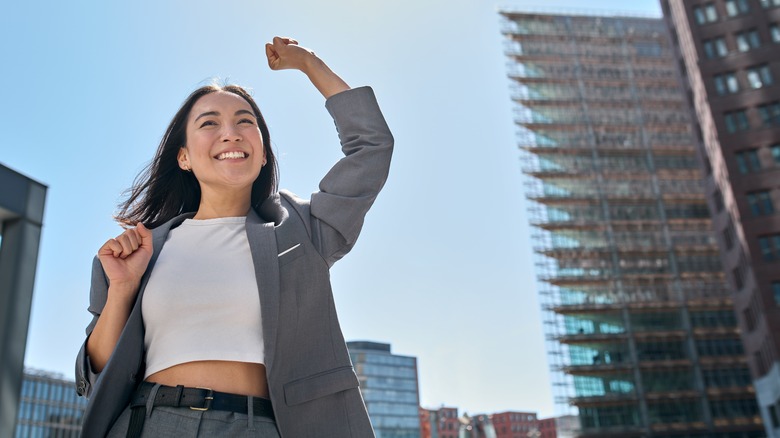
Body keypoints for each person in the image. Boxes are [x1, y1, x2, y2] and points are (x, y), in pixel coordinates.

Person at [74, 36, 393, 438]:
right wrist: (121, 289)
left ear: (262, 153)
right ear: (184, 157)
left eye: (246, 121)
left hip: (258, 426)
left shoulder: (302, 231)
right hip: (147, 422)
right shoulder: (140, 251)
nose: (231, 133)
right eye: (209, 123)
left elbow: (372, 147)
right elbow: (96, 370)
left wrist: (309, 63)